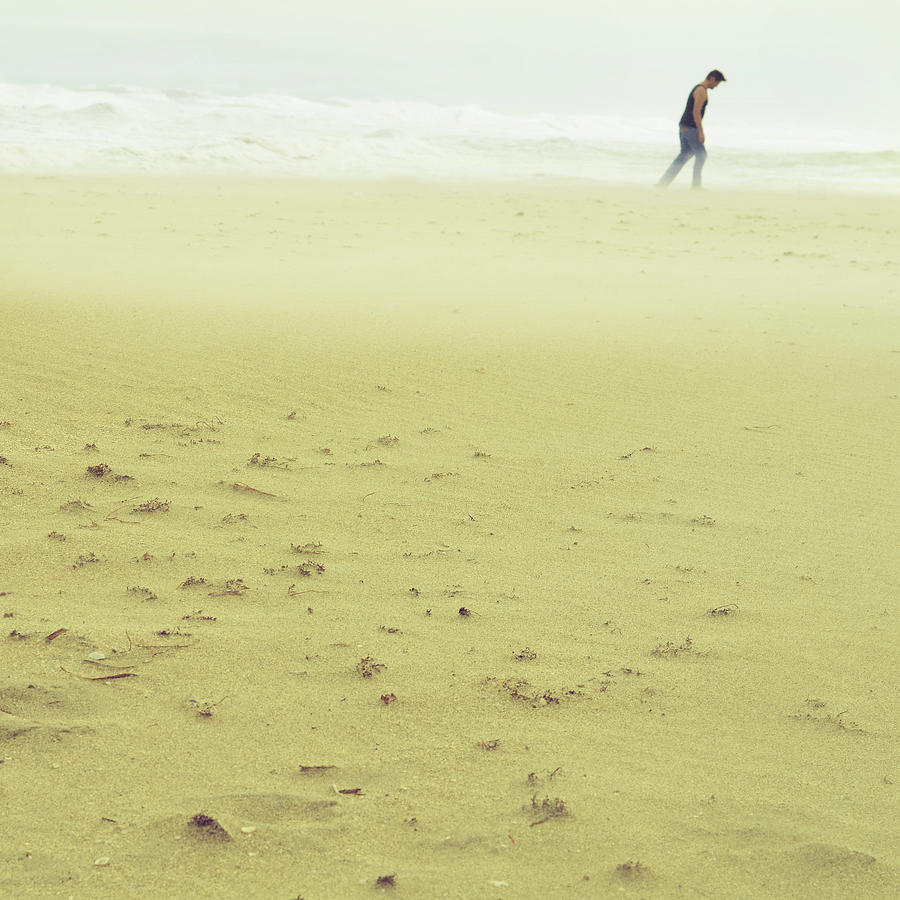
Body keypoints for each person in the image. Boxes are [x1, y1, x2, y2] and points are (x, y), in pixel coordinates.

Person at [658, 70, 726, 189]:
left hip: (684, 126)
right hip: (690, 127)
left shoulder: (699, 89)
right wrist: (701, 132)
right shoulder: (701, 90)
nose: (716, 86)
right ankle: (696, 186)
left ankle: (663, 183)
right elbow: (696, 112)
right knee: (701, 155)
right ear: (712, 79)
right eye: (717, 83)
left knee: (685, 155)